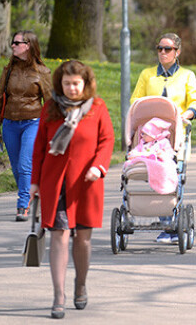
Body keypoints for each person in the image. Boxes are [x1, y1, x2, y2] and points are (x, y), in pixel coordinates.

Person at [29, 60, 114, 319]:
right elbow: (40, 146)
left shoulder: (97, 108)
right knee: (59, 236)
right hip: (55, 182)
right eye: (67, 83)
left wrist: (99, 167)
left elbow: (107, 139)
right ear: (60, 84)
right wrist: (34, 182)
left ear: (85, 84)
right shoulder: (51, 107)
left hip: (86, 183)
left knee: (83, 240)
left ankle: (80, 284)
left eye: (76, 83)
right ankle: (59, 296)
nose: (72, 88)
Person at [131, 32, 196, 243]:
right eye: (160, 48)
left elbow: (195, 102)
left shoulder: (187, 76)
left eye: (168, 49)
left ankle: (172, 223)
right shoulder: (147, 75)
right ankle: (168, 220)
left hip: (175, 132)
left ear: (177, 52)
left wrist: (184, 116)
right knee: (156, 172)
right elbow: (136, 100)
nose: (163, 52)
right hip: (152, 133)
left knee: (174, 173)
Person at [0, 31, 52, 221]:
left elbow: (50, 103)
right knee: (17, 168)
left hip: (32, 123)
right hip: (10, 124)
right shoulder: (8, 70)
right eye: (13, 43)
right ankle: (34, 194)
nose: (13, 46)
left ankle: (23, 204)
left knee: (25, 164)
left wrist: (52, 129)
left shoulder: (43, 72)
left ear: (29, 46)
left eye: (17, 43)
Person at [124, 116, 178, 195]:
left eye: (145, 134)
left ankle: (164, 187)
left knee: (166, 165)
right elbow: (136, 151)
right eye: (142, 133)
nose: (142, 136)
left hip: (157, 161)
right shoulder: (142, 143)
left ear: (153, 135)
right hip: (142, 162)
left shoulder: (163, 142)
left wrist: (162, 154)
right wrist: (133, 154)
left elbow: (170, 154)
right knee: (133, 160)